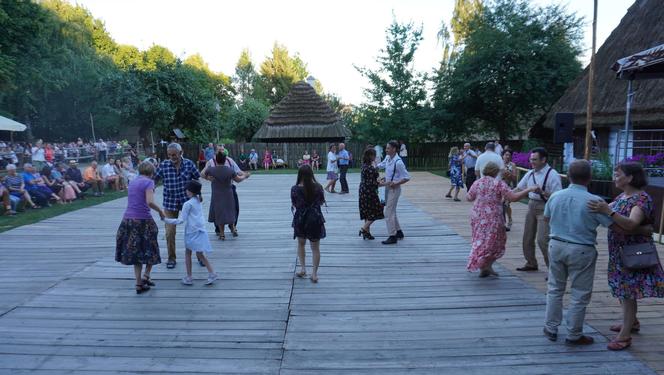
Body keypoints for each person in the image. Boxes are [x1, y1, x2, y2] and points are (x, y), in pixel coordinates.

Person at [588, 162, 664, 351]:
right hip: (620, 253)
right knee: (622, 289)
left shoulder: (640, 199)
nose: (615, 176)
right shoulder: (624, 196)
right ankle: (632, 322)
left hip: (632, 253)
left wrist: (609, 211)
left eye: (618, 173)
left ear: (630, 178)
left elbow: (630, 224)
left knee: (628, 292)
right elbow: (608, 214)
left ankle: (625, 335)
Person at [543, 160, 616, 345]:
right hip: (581, 248)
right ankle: (574, 334)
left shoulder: (556, 196)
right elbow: (610, 224)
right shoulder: (595, 201)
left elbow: (546, 217)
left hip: (556, 244)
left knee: (554, 289)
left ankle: (550, 328)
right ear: (590, 178)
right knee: (579, 293)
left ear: (568, 176)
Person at [467, 162, 535, 277]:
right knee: (496, 241)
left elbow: (469, 197)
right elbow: (513, 198)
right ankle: (485, 265)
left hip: (478, 216)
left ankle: (485, 266)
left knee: (480, 239)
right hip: (493, 217)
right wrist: (528, 190)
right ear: (495, 172)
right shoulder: (498, 183)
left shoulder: (477, 183)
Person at [115, 161, 165, 294]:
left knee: (137, 252)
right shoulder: (149, 182)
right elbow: (149, 202)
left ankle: (140, 283)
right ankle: (146, 276)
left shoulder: (133, 182)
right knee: (151, 247)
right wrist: (160, 211)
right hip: (143, 220)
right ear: (151, 173)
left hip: (128, 220)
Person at [154, 142, 201, 269]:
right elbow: (154, 179)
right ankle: (171, 258)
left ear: (181, 153)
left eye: (174, 154)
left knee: (195, 229)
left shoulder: (189, 164)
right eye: (169, 155)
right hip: (170, 202)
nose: (172, 157)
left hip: (187, 202)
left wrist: (198, 194)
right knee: (169, 232)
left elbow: (197, 179)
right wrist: (148, 189)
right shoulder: (163, 165)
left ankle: (200, 256)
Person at [515, 147, 562, 272]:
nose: (531, 162)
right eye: (531, 159)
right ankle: (531, 263)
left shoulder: (553, 175)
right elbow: (519, 189)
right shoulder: (530, 173)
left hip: (545, 207)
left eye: (534, 159)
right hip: (531, 205)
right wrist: (506, 195)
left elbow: (559, 197)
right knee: (527, 237)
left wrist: (542, 191)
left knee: (543, 240)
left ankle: (553, 270)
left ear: (543, 160)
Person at [163, 180, 218, 286]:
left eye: (187, 189)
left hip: (191, 232)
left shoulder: (187, 204)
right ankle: (212, 273)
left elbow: (180, 220)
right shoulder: (198, 200)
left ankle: (189, 277)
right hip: (200, 230)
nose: (185, 191)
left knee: (188, 253)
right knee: (200, 254)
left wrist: (165, 219)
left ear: (190, 191)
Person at [291, 164, 326, 283]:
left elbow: (295, 204)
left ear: (299, 175)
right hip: (315, 218)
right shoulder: (318, 187)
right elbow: (321, 202)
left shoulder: (295, 188)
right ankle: (314, 274)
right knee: (315, 248)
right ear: (311, 174)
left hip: (301, 218)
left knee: (301, 244)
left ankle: (303, 269)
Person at [205, 152, 249, 240]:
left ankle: (222, 234)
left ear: (216, 160)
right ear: (225, 160)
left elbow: (204, 174)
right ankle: (233, 228)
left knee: (219, 212)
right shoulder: (230, 170)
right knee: (230, 211)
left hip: (216, 194)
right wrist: (245, 176)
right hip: (228, 193)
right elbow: (238, 180)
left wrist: (209, 178)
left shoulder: (211, 170)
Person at [377, 140, 410, 245]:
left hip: (394, 190)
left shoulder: (398, 162)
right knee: (392, 211)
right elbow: (381, 165)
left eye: (388, 148)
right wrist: (371, 166)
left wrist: (396, 183)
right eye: (386, 148)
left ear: (394, 149)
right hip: (387, 188)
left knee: (388, 212)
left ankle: (392, 236)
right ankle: (399, 232)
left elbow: (407, 177)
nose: (386, 150)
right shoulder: (387, 158)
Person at [358, 148, 386, 240]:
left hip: (362, 191)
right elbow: (372, 183)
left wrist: (378, 180)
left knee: (367, 212)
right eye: (374, 155)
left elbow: (370, 180)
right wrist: (384, 183)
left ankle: (367, 233)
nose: (376, 157)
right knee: (375, 212)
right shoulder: (370, 168)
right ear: (371, 156)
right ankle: (363, 229)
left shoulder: (364, 166)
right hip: (369, 192)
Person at [502, 150, 517, 231]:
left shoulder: (512, 165)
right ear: (503, 155)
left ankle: (509, 219)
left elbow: (515, 178)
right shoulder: (499, 164)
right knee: (501, 205)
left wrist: (509, 174)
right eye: (506, 154)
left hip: (508, 187)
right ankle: (502, 223)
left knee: (506, 204)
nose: (507, 156)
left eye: (509, 155)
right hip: (499, 187)